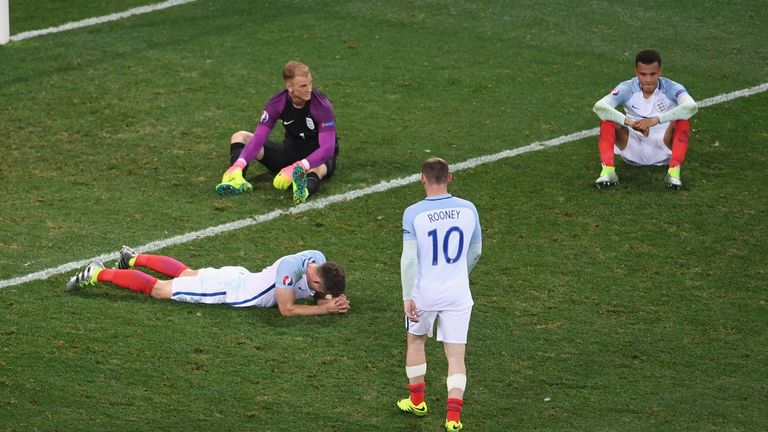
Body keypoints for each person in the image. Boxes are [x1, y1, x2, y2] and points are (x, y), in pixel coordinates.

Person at [396, 157, 482, 432]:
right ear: (450, 177)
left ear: (422, 178)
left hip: (425, 292)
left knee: (416, 341)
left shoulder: (413, 213)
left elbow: (409, 260)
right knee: (456, 355)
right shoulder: (469, 209)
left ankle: (417, 401)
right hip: (458, 292)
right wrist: (458, 273)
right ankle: (453, 419)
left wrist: (407, 295)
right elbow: (476, 251)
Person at [65, 247, 350, 317]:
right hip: (232, 290)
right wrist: (323, 309)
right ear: (314, 278)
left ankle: (132, 258)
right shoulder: (289, 271)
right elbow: (286, 310)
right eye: (319, 289)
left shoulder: (317, 257)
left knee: (188, 273)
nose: (318, 294)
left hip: (240, 275)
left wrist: (330, 299)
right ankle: (96, 273)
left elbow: (318, 293)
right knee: (161, 290)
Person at [216, 60, 339, 204]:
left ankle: (302, 190)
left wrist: (299, 166)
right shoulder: (277, 103)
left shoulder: (322, 106)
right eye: (303, 85)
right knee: (240, 136)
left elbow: (327, 149)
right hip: (290, 154)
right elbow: (259, 138)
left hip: (317, 158)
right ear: (289, 87)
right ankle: (236, 179)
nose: (309, 89)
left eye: (310, 83)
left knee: (316, 169)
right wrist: (240, 163)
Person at [592, 49, 698, 189]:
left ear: (660, 72)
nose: (648, 80)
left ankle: (673, 173)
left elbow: (691, 107)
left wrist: (655, 120)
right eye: (643, 74)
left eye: (653, 74)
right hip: (632, 144)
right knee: (606, 120)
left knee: (682, 120)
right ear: (636, 73)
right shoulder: (627, 88)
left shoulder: (672, 88)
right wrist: (630, 122)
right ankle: (608, 172)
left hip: (663, 146)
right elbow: (599, 107)